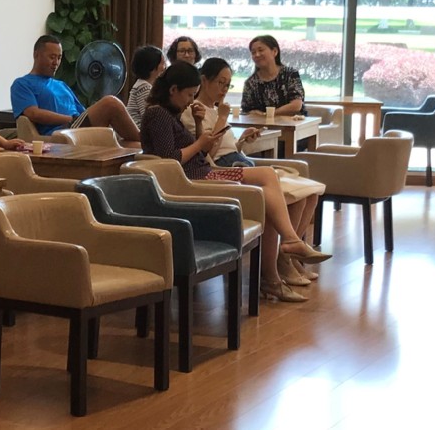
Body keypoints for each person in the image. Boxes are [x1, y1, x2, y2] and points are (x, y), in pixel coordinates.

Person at [138, 62, 329, 304]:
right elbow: (170, 158)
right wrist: (199, 142)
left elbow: (197, 152)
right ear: (173, 90)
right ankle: (284, 255)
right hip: (197, 181)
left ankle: (287, 250)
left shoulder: (169, 114)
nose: (190, 101)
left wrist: (199, 127)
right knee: (267, 185)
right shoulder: (157, 114)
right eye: (188, 95)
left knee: (268, 181)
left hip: (202, 173)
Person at [191, 56, 324, 287]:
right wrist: (222, 117)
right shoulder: (196, 112)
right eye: (220, 83)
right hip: (221, 169)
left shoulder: (216, 109)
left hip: (236, 161)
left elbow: (227, 148)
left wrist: (242, 141)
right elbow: (207, 153)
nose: (224, 89)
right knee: (279, 190)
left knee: (308, 195)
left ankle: (287, 257)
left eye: (228, 85)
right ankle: (285, 255)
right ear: (204, 80)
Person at [11, 36, 141, 141]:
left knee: (133, 146)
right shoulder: (22, 84)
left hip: (77, 125)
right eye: (52, 57)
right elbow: (33, 113)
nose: (56, 62)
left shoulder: (61, 85)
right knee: (111, 103)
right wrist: (69, 119)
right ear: (36, 55)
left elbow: (82, 113)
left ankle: (144, 144)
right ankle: (145, 140)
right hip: (64, 131)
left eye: (59, 57)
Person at [241, 35, 306, 116]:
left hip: (294, 122)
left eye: (261, 50)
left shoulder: (290, 74)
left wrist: (267, 114)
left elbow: (296, 105)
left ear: (274, 51)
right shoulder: (251, 83)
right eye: (253, 52)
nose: (257, 55)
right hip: (262, 124)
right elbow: (246, 111)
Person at [123, 46, 165, 124]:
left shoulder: (144, 85)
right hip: (138, 129)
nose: (164, 68)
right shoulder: (144, 87)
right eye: (162, 63)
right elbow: (149, 117)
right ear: (152, 66)